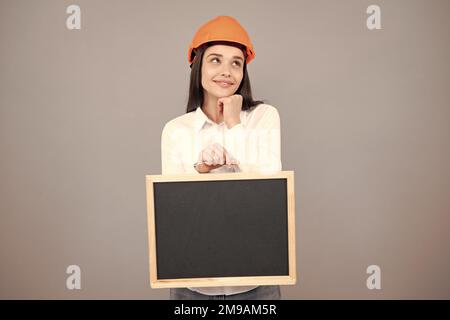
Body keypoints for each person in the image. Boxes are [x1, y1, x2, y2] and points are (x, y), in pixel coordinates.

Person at [161, 16, 282, 300]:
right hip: (192, 287)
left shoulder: (265, 117)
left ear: (244, 71)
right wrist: (200, 171)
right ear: (198, 66)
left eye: (236, 62)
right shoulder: (176, 130)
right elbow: (174, 213)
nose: (226, 71)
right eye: (216, 60)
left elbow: (269, 188)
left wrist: (234, 122)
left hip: (257, 284)